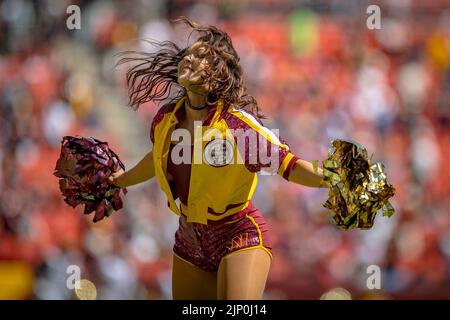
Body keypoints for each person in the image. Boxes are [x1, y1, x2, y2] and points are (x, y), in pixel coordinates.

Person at [110, 17, 327, 300]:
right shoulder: (166, 119)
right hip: (190, 238)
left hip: (238, 233)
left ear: (217, 75)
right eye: (190, 54)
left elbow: (289, 165)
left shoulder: (237, 127)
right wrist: (118, 180)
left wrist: (333, 179)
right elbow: (158, 159)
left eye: (201, 57)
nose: (189, 58)